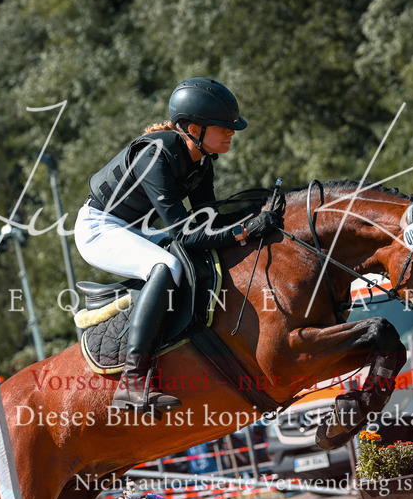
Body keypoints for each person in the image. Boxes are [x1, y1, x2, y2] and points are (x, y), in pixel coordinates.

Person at [76, 77, 282, 414]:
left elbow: (208, 222)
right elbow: (185, 235)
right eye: (223, 127)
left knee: (203, 254)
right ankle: (133, 382)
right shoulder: (154, 155)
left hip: (136, 229)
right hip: (99, 229)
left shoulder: (201, 162)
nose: (231, 133)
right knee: (167, 266)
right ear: (192, 128)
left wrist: (254, 217)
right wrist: (245, 231)